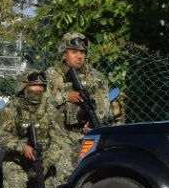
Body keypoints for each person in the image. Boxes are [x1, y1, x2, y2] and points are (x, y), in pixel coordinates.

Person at [45, 31, 117, 163]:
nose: (79, 56)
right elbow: (40, 104)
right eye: (74, 52)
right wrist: (66, 96)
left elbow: (105, 111)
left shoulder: (96, 78)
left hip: (86, 139)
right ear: (64, 53)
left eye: (82, 52)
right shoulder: (51, 76)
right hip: (57, 141)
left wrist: (94, 126)